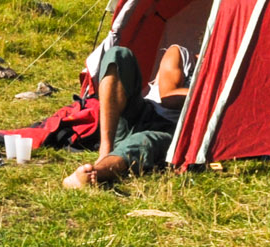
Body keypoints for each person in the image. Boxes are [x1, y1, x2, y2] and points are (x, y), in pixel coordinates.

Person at [62, 42, 193, 188]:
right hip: (143, 111)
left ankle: (96, 173)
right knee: (118, 54)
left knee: (144, 141)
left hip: (173, 130)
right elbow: (168, 97)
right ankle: (105, 149)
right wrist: (210, 92)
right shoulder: (180, 54)